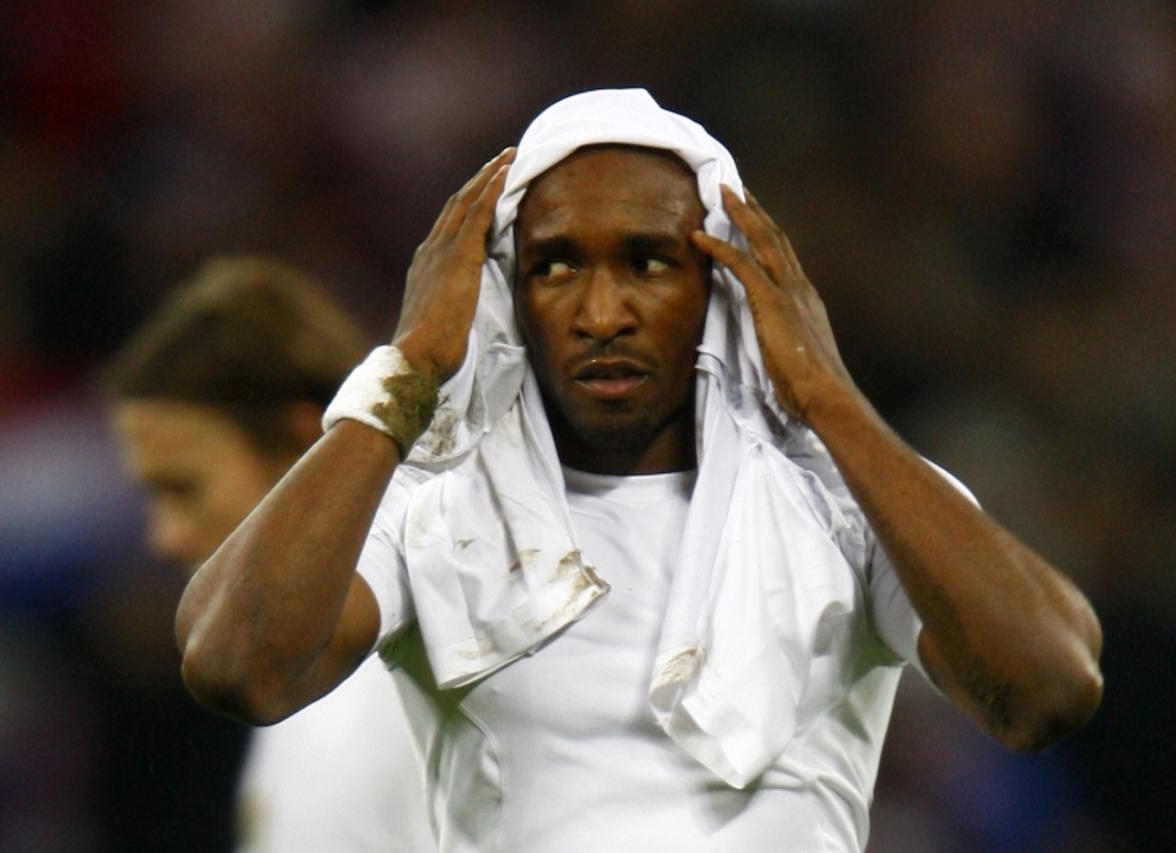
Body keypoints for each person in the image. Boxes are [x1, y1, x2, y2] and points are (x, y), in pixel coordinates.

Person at [173, 91, 1103, 851]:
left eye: (650, 262)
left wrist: (826, 396)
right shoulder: (435, 500)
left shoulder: (844, 501)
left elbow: (1049, 686)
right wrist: (409, 367)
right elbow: (238, 665)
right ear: (504, 290)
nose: (602, 310)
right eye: (556, 266)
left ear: (726, 288)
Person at [104, 256, 436, 852]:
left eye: (183, 487)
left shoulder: (367, 688)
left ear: (303, 444)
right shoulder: (307, 673)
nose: (165, 538)